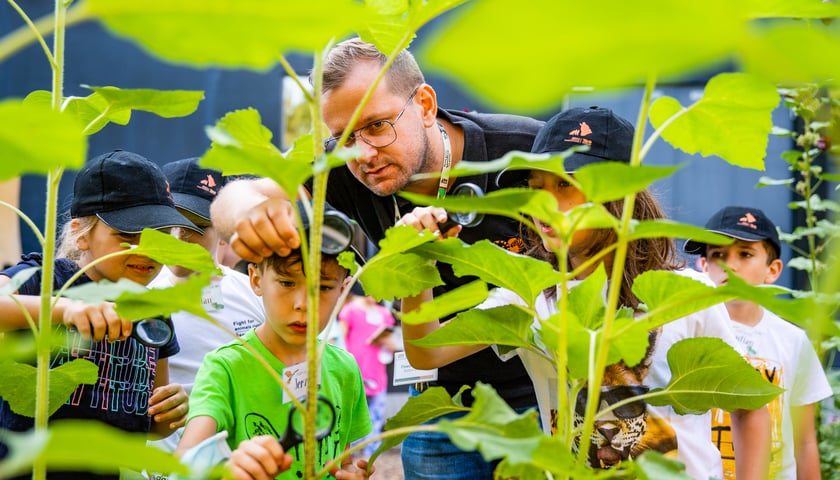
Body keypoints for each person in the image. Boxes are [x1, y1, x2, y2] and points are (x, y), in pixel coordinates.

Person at [211, 37, 544, 479]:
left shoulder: (527, 152)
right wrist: (249, 214)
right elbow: (235, 199)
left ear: (425, 104)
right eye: (343, 137)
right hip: (443, 397)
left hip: (544, 392)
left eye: (376, 126)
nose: (363, 154)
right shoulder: (343, 165)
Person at [400, 107, 772, 479]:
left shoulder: (685, 294)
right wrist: (417, 262)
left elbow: (747, 402)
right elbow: (428, 352)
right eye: (535, 186)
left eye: (565, 184)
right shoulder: (530, 297)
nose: (544, 203)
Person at [0, 150, 198, 479]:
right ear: (80, 232)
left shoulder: (155, 314)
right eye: (127, 235)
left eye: (161, 236)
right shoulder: (48, 279)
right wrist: (65, 309)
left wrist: (168, 414)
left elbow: (149, 424)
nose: (145, 249)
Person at [175, 201, 373, 480]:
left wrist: (352, 473)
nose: (303, 304)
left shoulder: (345, 367)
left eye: (323, 287)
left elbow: (343, 456)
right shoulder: (225, 367)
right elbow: (184, 465)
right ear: (255, 279)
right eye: (287, 283)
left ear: (343, 289)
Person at [685, 205, 833, 479]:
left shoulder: (793, 341)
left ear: (773, 270)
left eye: (745, 254)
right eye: (718, 254)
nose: (730, 264)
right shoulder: (686, 332)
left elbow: (805, 441)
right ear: (703, 266)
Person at [147, 158, 265, 457]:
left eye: (196, 226)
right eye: (169, 223)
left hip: (241, 460)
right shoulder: (137, 293)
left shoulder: (254, 292)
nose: (179, 237)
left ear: (222, 230)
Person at [338, 286, 399, 457]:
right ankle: (353, 453)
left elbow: (392, 344)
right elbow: (340, 340)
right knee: (354, 414)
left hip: (377, 370)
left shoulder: (384, 313)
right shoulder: (349, 310)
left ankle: (372, 454)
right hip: (355, 370)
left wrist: (386, 343)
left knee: (376, 413)